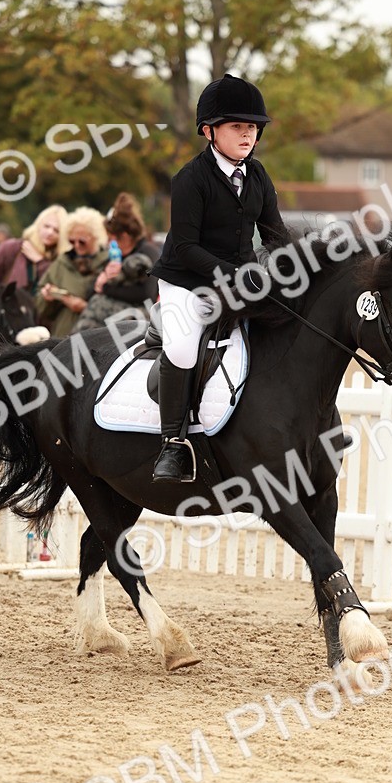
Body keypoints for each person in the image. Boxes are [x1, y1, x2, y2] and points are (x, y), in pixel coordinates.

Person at [150, 72, 284, 481]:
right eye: (237, 127)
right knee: (185, 347)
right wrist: (236, 275)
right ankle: (172, 445)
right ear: (209, 131)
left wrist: (290, 270)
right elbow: (187, 247)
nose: (247, 135)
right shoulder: (191, 179)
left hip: (238, 279)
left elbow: (275, 232)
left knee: (284, 324)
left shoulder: (257, 175)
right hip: (185, 280)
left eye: (252, 128)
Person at [74, 192, 160, 330]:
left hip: (135, 325)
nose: (108, 243)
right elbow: (92, 293)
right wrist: (100, 281)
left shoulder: (149, 252)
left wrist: (107, 288)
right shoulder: (114, 256)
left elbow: (146, 294)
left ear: (124, 237)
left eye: (110, 238)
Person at [35, 207, 108, 338]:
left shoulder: (109, 265)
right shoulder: (62, 263)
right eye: (72, 241)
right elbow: (40, 308)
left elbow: (119, 311)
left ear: (96, 238)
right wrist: (47, 298)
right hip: (62, 338)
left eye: (82, 241)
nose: (77, 246)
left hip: (98, 339)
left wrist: (85, 308)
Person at [0, 205, 68, 295]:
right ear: (38, 224)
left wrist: (40, 262)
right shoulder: (12, 247)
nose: (50, 232)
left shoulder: (62, 259)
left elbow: (60, 287)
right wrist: (2, 300)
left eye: (56, 230)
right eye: (47, 226)